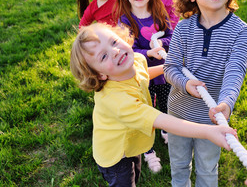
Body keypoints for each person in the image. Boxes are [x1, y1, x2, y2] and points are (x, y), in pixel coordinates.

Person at [69, 23, 238, 187]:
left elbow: (143, 75)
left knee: (135, 171)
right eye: (103, 56)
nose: (115, 51)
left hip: (131, 143)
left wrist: (175, 73)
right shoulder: (118, 101)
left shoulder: (136, 60)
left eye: (114, 42)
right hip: (114, 155)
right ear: (99, 75)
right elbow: (164, 121)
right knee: (124, 180)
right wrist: (209, 131)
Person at [164, 0, 247, 187]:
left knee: (207, 169)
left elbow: (235, 71)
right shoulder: (183, 28)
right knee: (179, 165)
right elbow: (170, 67)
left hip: (212, 118)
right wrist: (184, 83)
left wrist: (226, 103)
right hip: (179, 114)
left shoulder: (241, 31)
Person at [114, 0, 173, 173]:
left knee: (165, 102)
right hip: (141, 74)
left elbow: (169, 34)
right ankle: (147, 149)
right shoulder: (125, 20)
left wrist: (161, 44)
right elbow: (128, 49)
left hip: (163, 70)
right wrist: (149, 52)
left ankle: (166, 129)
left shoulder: (158, 11)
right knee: (145, 108)